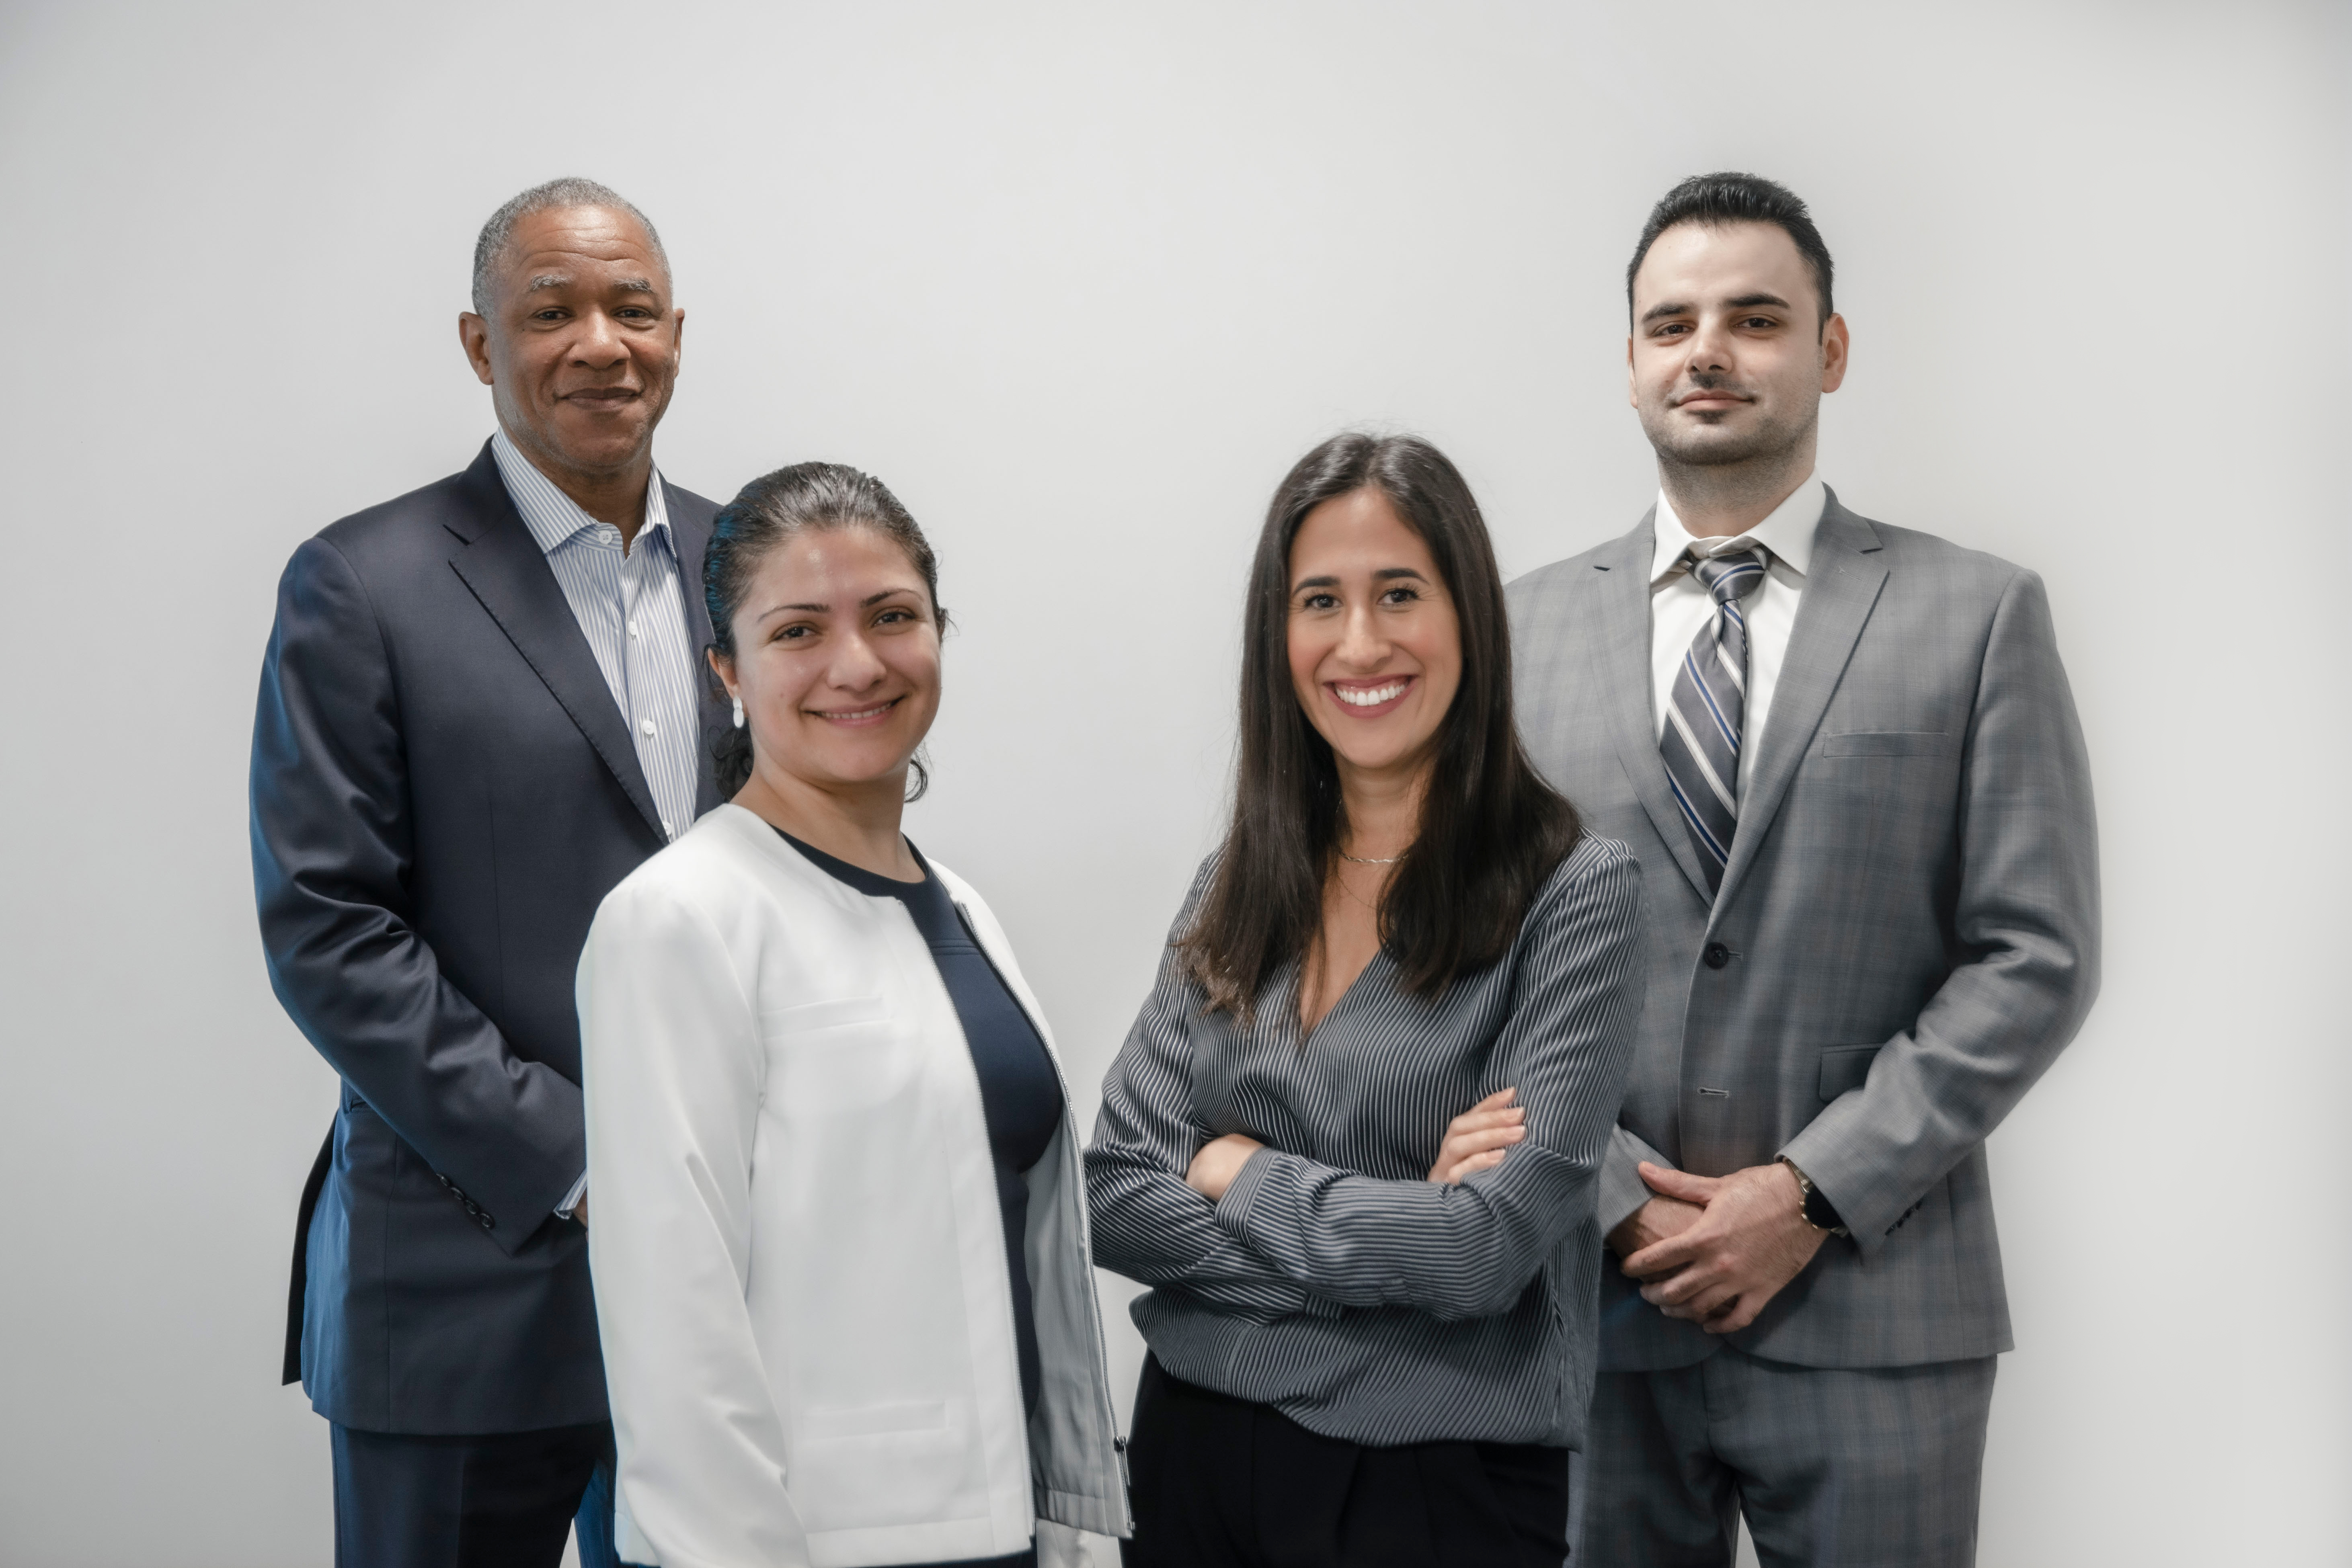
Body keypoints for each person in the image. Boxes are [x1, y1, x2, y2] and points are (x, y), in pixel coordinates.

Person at [1507, 172, 2101, 1566]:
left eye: (1754, 318)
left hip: (1878, 1309)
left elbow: (2035, 954)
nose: (1707, 351)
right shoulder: (1513, 630)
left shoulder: (1977, 614)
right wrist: (1609, 1191)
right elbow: (1469, 954)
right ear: (1632, 363)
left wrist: (1808, 1192)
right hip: (1587, 1303)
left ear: (1828, 351)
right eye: (1671, 325)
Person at [250, 176, 723, 1567]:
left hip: (721, 1285)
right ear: (479, 345)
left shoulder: (749, 564)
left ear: (677, 334)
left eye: (632, 310)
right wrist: (579, 1161)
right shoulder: (361, 582)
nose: (599, 342)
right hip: (466, 1283)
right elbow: (330, 930)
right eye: (551, 310)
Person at [1085, 433, 1644, 1567]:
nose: (1359, 643)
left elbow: (1485, 1255)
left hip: (1431, 1491)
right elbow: (1113, 1193)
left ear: (1467, 620)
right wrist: (1397, 1235)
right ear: (1276, 635)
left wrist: (1240, 1169)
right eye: (1319, 602)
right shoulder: (1235, 884)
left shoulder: (1575, 897)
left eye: (1399, 594)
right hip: (1189, 1452)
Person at [575, 463, 1129, 1568]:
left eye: (892, 617)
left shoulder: (958, 905)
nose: (857, 665)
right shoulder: (680, 920)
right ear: (725, 669)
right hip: (826, 1540)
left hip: (1009, 1522)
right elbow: (673, 1336)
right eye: (797, 631)